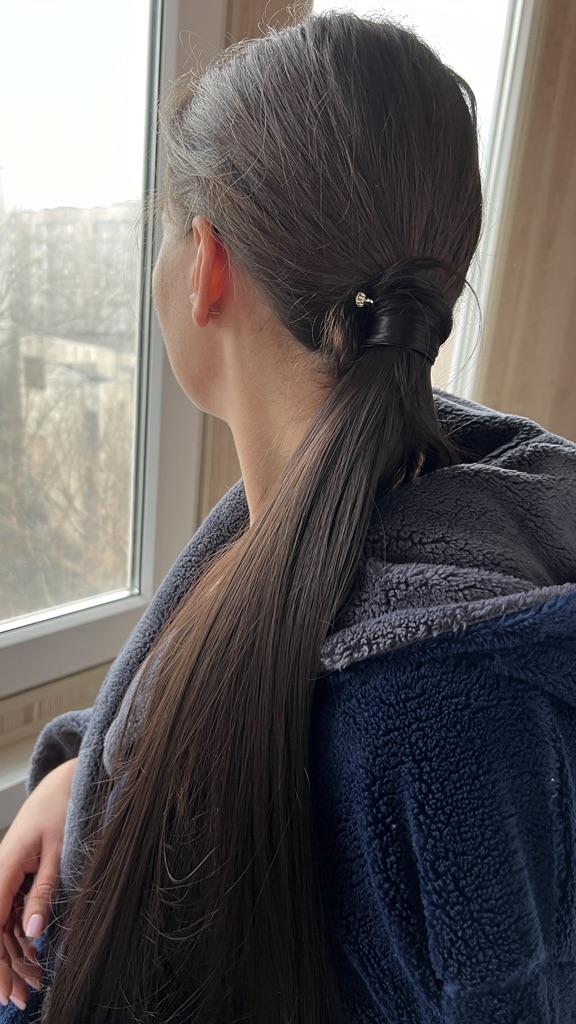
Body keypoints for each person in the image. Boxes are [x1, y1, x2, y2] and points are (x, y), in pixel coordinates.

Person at [1, 8, 576, 1023]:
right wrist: (80, 778)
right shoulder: (304, 519)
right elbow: (234, 695)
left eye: (165, 232)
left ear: (207, 266)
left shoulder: (433, 704)